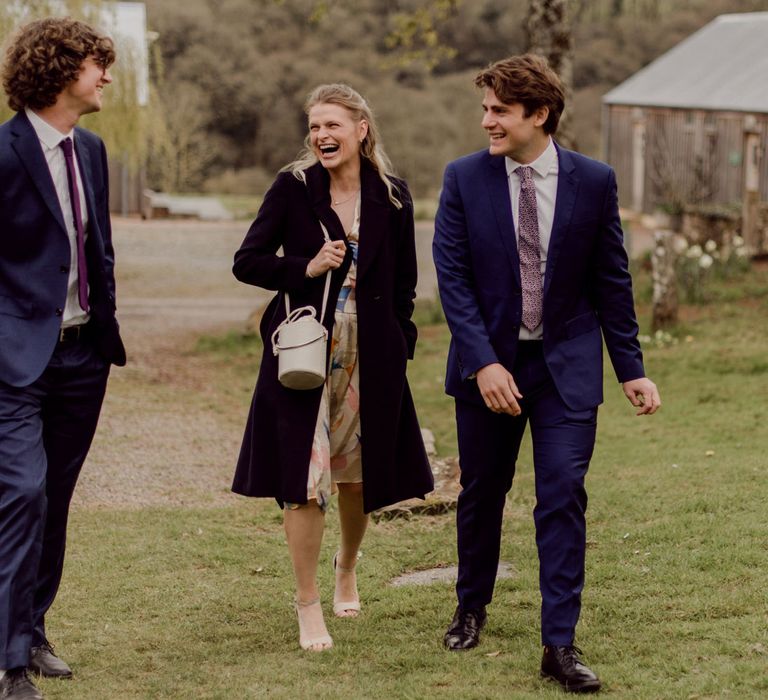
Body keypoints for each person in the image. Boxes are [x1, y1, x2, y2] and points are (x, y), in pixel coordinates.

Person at [433, 54, 660, 692]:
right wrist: (484, 363)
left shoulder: (594, 180)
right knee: (483, 491)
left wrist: (631, 370)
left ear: (539, 114)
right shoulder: (463, 179)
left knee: (562, 496)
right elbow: (454, 281)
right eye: (485, 109)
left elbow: (612, 281)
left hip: (566, 367)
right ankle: (471, 605)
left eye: (499, 110)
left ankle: (559, 644)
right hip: (490, 368)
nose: (487, 122)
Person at [231, 83, 433, 652]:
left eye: (332, 125)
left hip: (371, 357)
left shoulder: (393, 196)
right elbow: (247, 262)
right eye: (314, 126)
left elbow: (404, 287)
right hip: (303, 354)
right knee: (304, 480)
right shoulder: (292, 188)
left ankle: (347, 567)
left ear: (361, 129)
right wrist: (307, 265)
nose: (321, 135)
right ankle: (307, 603)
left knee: (358, 476)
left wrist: (401, 344)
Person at [0, 17, 125, 700]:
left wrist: (107, 332)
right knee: (22, 492)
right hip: (14, 362)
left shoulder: (94, 151)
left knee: (55, 500)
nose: (104, 75)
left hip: (84, 357)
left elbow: (98, 250)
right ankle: (12, 663)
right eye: (94, 63)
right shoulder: (3, 152)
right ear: (57, 69)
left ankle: (34, 629)